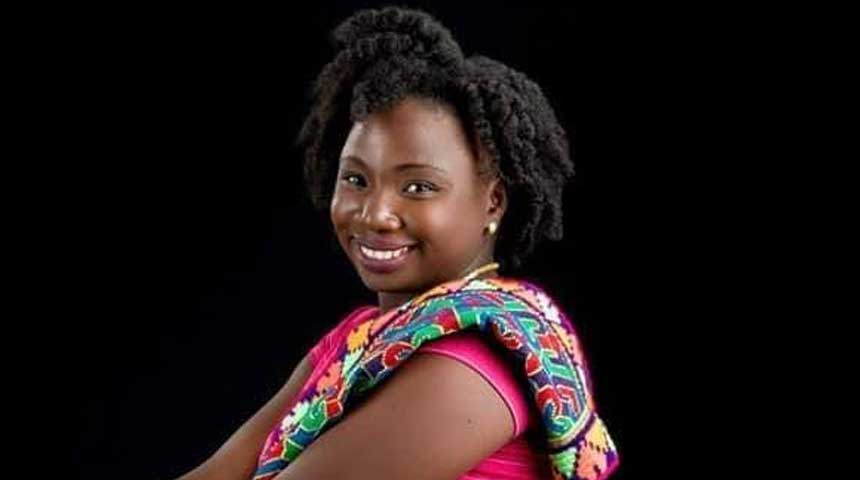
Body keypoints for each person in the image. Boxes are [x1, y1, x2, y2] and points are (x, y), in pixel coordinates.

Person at [179, 6, 618, 480]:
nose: (374, 214)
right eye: (356, 179)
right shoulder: (356, 338)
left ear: (493, 202)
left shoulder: (475, 365)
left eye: (418, 187)